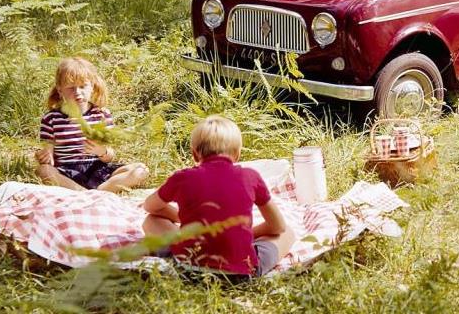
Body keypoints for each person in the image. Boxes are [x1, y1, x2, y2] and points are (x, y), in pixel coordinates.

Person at [141, 115, 297, 281]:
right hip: (241, 273)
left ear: (194, 154)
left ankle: (173, 249)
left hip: (188, 269)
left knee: (151, 221)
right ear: (237, 154)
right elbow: (277, 226)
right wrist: (248, 234)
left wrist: (187, 219)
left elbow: (150, 207)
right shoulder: (250, 177)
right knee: (287, 232)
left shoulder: (182, 178)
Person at [35, 57, 149, 192]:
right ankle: (84, 193)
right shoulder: (51, 119)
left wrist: (102, 151)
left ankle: (99, 191)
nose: (77, 92)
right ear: (60, 90)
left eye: (83, 86)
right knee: (43, 170)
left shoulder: (101, 115)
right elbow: (48, 154)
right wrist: (45, 155)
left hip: (97, 170)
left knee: (140, 170)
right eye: (71, 88)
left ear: (92, 87)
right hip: (67, 173)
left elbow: (110, 156)